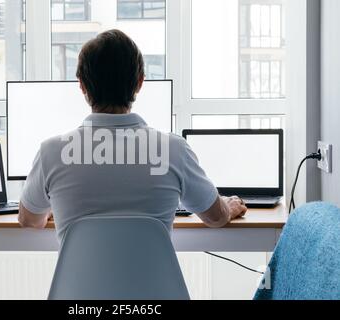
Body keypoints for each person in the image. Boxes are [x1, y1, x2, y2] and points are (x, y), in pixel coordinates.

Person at [18, 29, 247, 242]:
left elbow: (29, 221)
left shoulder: (51, 153)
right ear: (139, 82)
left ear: (82, 86)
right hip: (154, 287)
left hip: (78, 287)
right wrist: (229, 207)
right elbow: (215, 218)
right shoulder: (173, 150)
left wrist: (54, 206)